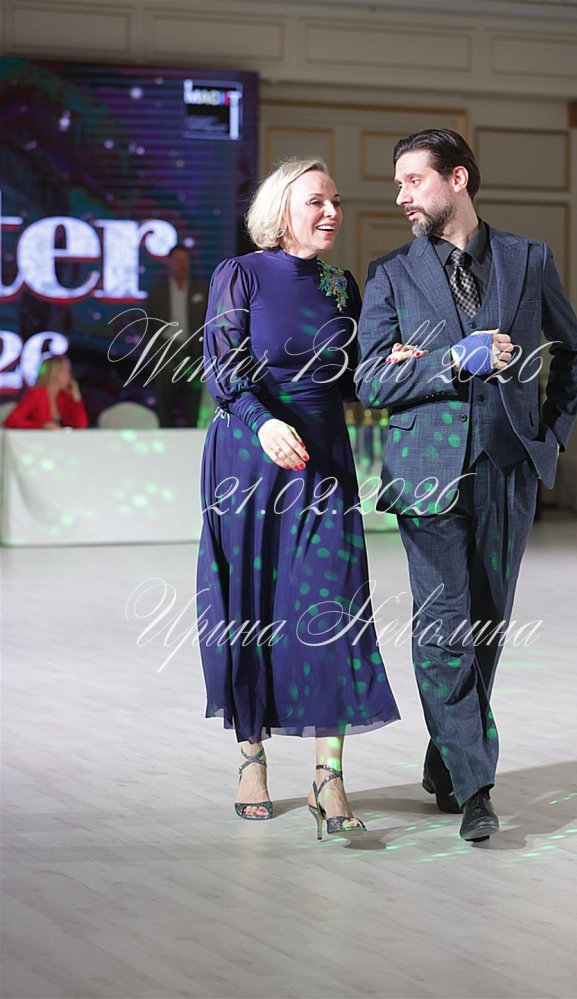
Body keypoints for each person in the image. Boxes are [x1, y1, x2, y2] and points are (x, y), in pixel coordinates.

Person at [355, 129, 577, 842]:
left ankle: (449, 759)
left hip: (508, 467)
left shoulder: (528, 259)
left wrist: (548, 437)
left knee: (486, 625)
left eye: (413, 180)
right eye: (398, 183)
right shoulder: (391, 273)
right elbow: (369, 380)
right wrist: (452, 361)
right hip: (424, 473)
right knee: (442, 626)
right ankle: (479, 786)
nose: (401, 196)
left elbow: (573, 353)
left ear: (457, 178)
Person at [197, 157, 400, 837]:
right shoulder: (241, 274)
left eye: (336, 201)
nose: (332, 212)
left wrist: (388, 363)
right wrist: (264, 423)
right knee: (250, 606)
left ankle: (328, 775)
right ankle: (251, 757)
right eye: (317, 201)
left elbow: (350, 379)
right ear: (282, 209)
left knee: (330, 608)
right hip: (249, 457)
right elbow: (223, 369)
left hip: (324, 461)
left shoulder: (342, 284)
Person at [145, 244, 208, 427]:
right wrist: (157, 353)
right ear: (169, 263)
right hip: (167, 354)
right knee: (165, 407)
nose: (181, 265)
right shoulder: (157, 292)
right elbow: (148, 327)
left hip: (194, 354)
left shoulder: (202, 289)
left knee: (194, 408)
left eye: (185, 260)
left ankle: (193, 442)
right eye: (177, 260)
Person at [3, 355, 88, 429]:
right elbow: (11, 421)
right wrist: (41, 426)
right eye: (67, 372)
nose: (70, 377)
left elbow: (81, 426)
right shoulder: (36, 394)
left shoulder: (65, 397)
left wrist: (77, 399)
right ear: (56, 374)